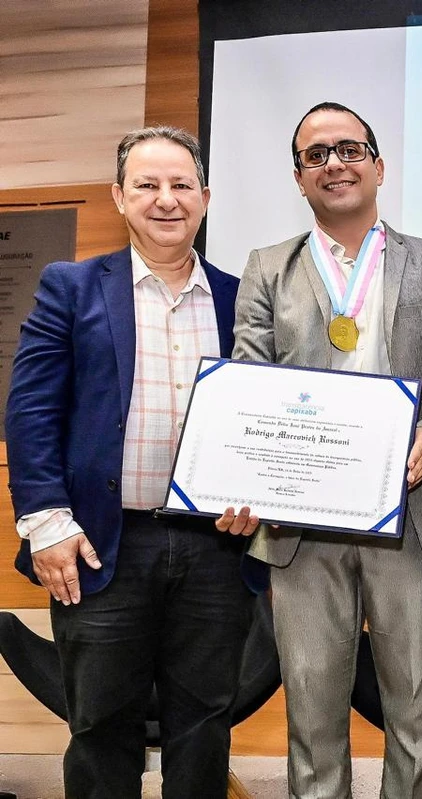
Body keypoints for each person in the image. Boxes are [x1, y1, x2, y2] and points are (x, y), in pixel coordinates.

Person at [5, 126, 265, 798]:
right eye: (147, 185)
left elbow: (266, 422)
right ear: (119, 197)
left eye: (181, 185)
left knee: (204, 723)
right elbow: (29, 410)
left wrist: (258, 491)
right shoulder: (72, 286)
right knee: (100, 724)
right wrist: (45, 522)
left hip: (216, 549)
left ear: (205, 197)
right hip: (99, 541)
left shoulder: (243, 299)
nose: (166, 199)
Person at [219, 101, 422, 798]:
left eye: (350, 149)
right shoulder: (268, 268)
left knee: (418, 716)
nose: (335, 163)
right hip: (302, 525)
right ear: (299, 178)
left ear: (380, 166)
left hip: (412, 514)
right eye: (317, 154)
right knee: (312, 717)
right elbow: (250, 384)